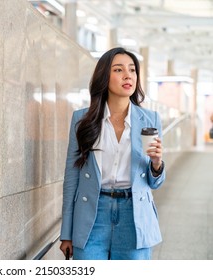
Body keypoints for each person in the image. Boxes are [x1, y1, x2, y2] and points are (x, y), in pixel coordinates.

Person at [59, 47, 166, 260]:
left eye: (132, 70)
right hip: (92, 214)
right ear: (103, 76)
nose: (128, 75)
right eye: (118, 70)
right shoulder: (82, 120)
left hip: (133, 215)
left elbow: (155, 183)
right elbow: (72, 179)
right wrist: (67, 233)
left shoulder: (151, 119)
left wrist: (156, 164)